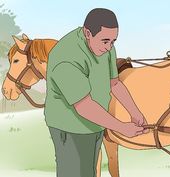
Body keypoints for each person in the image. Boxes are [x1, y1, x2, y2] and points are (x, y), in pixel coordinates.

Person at [44, 8, 148, 177]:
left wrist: (134, 112)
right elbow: (84, 106)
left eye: (113, 41)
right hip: (70, 129)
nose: (109, 47)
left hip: (95, 124)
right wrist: (122, 127)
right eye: (105, 41)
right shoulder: (66, 58)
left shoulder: (105, 46)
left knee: (89, 171)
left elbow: (114, 83)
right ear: (87, 33)